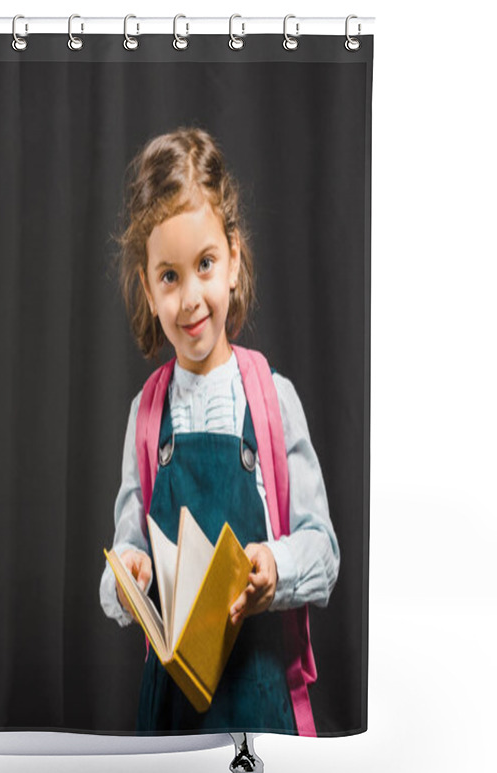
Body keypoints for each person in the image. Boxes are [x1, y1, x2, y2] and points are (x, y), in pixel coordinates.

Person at [99, 127, 339, 735]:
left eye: (204, 265)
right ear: (148, 289)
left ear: (233, 259)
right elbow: (120, 558)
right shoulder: (146, 415)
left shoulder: (272, 398)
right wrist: (130, 576)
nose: (190, 298)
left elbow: (324, 552)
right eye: (169, 276)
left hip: (260, 701)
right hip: (171, 709)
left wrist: (273, 567)